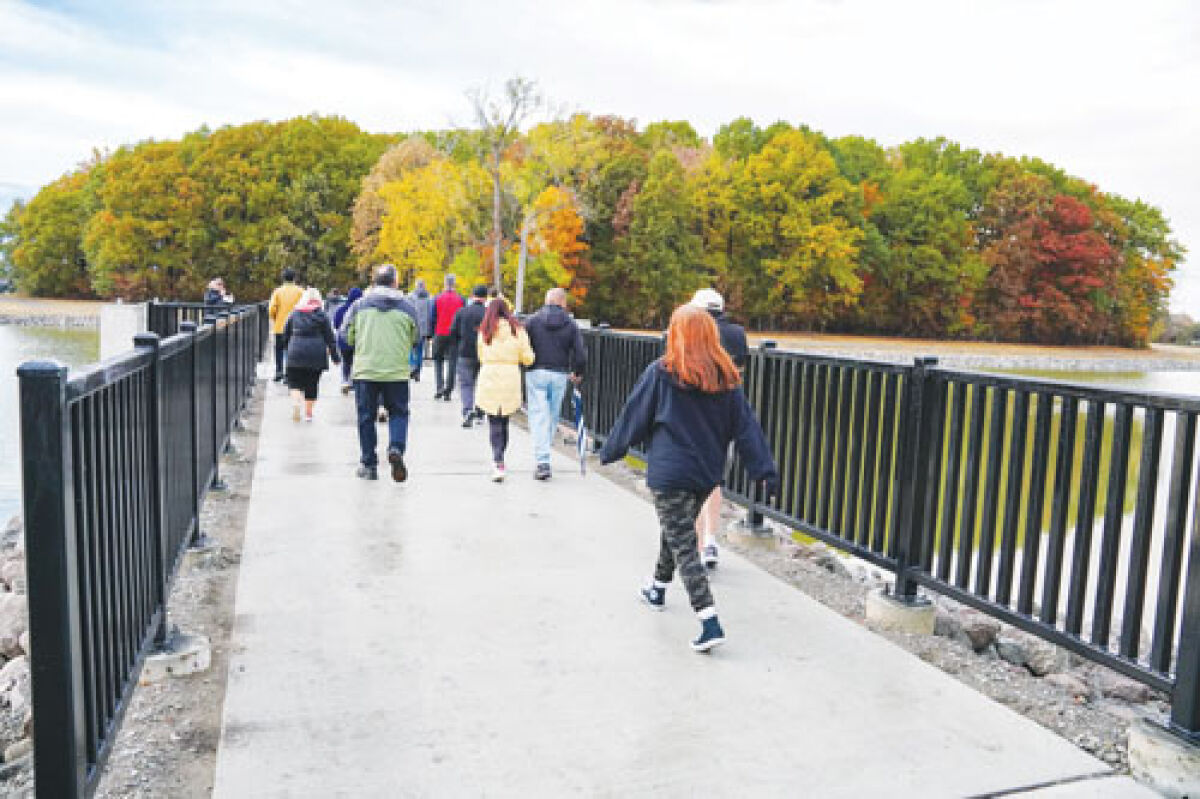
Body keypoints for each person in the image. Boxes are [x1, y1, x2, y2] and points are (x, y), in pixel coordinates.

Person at [599, 305, 777, 653]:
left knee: (683, 543)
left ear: (677, 334)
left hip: (669, 473)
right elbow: (747, 429)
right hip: (705, 474)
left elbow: (635, 414)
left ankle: (708, 620)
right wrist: (763, 470)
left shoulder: (664, 372)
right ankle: (657, 588)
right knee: (677, 530)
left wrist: (610, 449)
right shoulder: (726, 378)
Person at [689, 288, 750, 570]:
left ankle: (697, 539)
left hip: (691, 415)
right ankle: (710, 539)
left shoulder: (691, 332)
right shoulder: (737, 335)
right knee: (714, 478)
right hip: (725, 414)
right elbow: (741, 368)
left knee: (692, 479)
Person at [341, 265, 420, 482]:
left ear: (374, 282)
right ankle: (396, 448)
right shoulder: (408, 307)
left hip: (366, 370)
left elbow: (346, 335)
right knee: (399, 412)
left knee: (366, 416)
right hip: (396, 372)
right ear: (395, 282)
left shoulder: (359, 306)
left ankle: (369, 465)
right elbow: (416, 337)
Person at [524, 287, 587, 480]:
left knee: (537, 415)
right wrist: (578, 372)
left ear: (546, 301)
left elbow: (522, 344)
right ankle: (545, 454)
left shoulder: (532, 321)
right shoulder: (570, 324)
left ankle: (542, 460)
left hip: (536, 372)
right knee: (552, 416)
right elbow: (580, 353)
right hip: (559, 374)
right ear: (563, 303)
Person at [474, 297, 534, 481]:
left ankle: (497, 460)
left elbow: (481, 356)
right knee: (504, 420)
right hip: (510, 376)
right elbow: (528, 357)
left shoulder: (484, 331)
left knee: (493, 420)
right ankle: (500, 458)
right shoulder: (518, 330)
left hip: (489, 375)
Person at [282, 288, 340, 422]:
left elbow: (285, 333)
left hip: (296, 350)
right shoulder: (322, 315)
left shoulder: (294, 313)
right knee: (312, 384)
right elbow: (330, 338)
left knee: (294, 383)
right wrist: (335, 357)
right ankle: (308, 413)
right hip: (316, 353)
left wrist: (287, 347)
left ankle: (296, 403)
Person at [448, 285, 488, 428]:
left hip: (465, 352)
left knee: (466, 384)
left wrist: (457, 346)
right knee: (482, 384)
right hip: (485, 355)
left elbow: (452, 332)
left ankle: (467, 410)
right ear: (486, 297)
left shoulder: (462, 312)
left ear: (472, 295)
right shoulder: (489, 313)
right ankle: (480, 412)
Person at [431, 274, 465, 400]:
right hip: (454, 335)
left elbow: (433, 317)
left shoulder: (437, 298)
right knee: (452, 362)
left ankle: (439, 386)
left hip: (440, 332)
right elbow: (462, 318)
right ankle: (448, 390)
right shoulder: (461, 299)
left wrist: (431, 333)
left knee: (438, 360)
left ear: (445, 284)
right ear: (454, 284)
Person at [268, 269, 304, 382]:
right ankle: (289, 374)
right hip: (296, 326)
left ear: (283, 278)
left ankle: (279, 371)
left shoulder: (277, 292)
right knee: (291, 350)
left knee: (279, 349)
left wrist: (276, 318)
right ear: (294, 278)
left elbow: (271, 309)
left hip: (280, 326)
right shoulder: (300, 292)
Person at [332, 286, 363, 394]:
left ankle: (345, 380)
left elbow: (335, 325)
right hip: (358, 341)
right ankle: (355, 383)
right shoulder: (362, 310)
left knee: (346, 361)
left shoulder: (341, 309)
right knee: (357, 362)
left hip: (343, 341)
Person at [408, 278, 434, 382]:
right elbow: (430, 314)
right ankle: (417, 372)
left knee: (410, 349)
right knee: (420, 351)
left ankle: (412, 366)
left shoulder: (410, 297)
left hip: (412, 327)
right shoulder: (429, 298)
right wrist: (429, 331)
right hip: (423, 329)